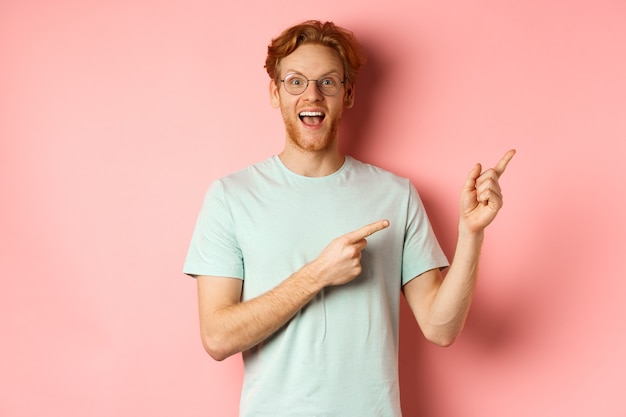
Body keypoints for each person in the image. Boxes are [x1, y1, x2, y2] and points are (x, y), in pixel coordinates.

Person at [183, 20, 515, 417]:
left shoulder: (396, 195)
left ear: (348, 94)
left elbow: (440, 328)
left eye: (328, 82)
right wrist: (318, 274)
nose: (312, 95)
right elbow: (217, 338)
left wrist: (471, 233)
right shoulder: (231, 197)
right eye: (295, 82)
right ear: (275, 92)